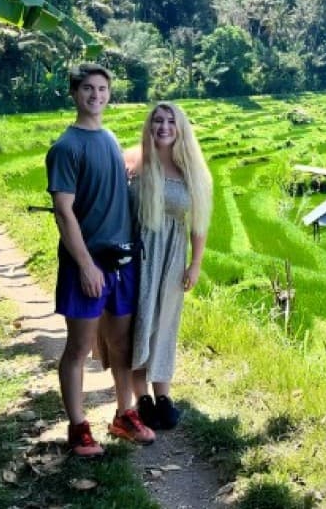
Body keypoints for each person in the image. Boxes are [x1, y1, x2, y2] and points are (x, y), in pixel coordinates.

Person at [46, 63, 156, 457]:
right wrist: (85, 266)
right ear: (74, 93)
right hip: (87, 265)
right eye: (88, 89)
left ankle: (124, 414)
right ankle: (78, 428)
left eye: (102, 89)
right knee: (79, 348)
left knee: (121, 344)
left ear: (109, 94)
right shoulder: (66, 147)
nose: (96, 95)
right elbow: (63, 212)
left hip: (121, 263)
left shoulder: (109, 138)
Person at [128, 102, 212, 429]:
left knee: (165, 322)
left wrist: (195, 264)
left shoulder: (191, 171)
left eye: (170, 121)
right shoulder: (135, 163)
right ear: (149, 126)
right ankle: (142, 398)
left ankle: (163, 396)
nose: (163, 127)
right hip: (139, 254)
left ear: (180, 129)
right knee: (141, 321)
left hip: (173, 256)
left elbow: (198, 225)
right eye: (158, 120)